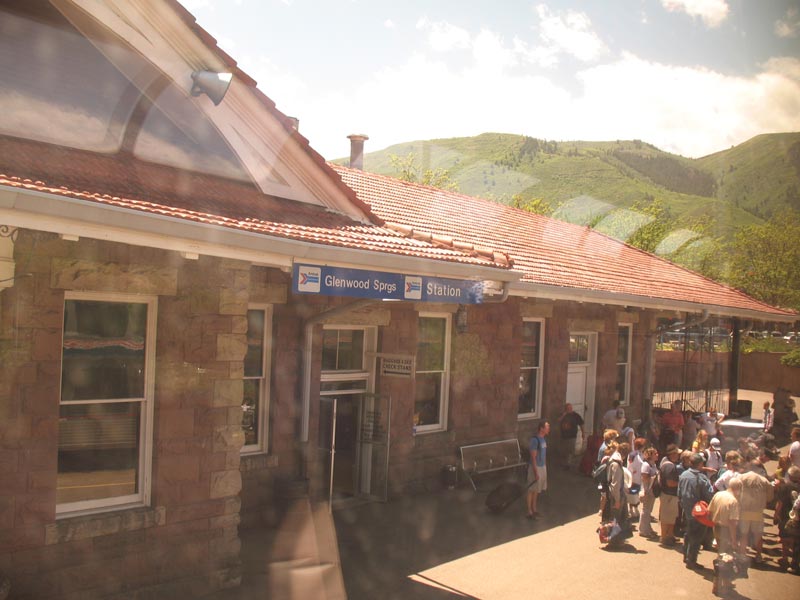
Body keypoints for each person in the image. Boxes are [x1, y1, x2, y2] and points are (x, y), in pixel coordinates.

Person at [678, 453, 715, 568]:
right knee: (697, 536)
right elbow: (709, 494)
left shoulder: (683, 475)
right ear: (700, 464)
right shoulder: (702, 478)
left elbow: (679, 492)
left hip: (686, 509)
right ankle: (691, 560)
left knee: (689, 533)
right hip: (699, 511)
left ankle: (686, 555)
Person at [708, 478, 742, 596]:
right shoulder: (733, 501)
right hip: (726, 531)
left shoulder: (718, 494)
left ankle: (717, 583)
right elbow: (732, 523)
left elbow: (710, 511)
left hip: (716, 527)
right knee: (727, 560)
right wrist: (733, 540)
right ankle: (724, 585)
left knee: (720, 556)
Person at [737, 462, 774, 563]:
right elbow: (770, 497)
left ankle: (742, 554)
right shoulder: (764, 480)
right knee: (758, 535)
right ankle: (758, 555)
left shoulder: (741, 477)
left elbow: (735, 491)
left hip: (744, 511)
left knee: (744, 534)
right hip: (758, 512)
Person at [774, 466, 800, 571]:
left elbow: (779, 503)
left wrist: (776, 514)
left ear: (789, 476)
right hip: (797, 517)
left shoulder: (784, 487)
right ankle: (794, 561)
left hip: (785, 515)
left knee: (784, 538)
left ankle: (784, 559)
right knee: (797, 539)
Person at [658, 444, 681, 546]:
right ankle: (664, 537)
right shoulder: (669, 466)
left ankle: (670, 535)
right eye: (676, 453)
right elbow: (670, 482)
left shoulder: (667, 463)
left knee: (671, 517)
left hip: (671, 495)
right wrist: (681, 482)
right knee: (666, 517)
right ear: (673, 454)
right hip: (668, 495)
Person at [526, 420, 549, 519]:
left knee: (537, 490)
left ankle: (534, 509)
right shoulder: (535, 440)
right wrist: (536, 472)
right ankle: (529, 511)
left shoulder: (543, 439)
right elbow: (533, 457)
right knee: (531, 489)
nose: (549, 429)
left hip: (542, 466)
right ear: (541, 428)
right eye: (547, 427)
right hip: (536, 467)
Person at [639, 446, 660, 538]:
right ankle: (643, 530)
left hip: (652, 490)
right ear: (650, 455)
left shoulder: (653, 465)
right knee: (645, 510)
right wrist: (653, 477)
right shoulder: (646, 465)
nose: (657, 455)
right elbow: (644, 477)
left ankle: (648, 528)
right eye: (655, 454)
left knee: (649, 510)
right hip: (647, 490)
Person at [556, 402, 585, 469]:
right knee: (563, 450)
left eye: (570, 408)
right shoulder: (563, 415)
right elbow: (558, 420)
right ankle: (564, 463)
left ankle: (568, 464)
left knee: (570, 450)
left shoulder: (575, 415)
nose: (569, 410)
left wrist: (583, 433)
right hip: (564, 436)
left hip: (572, 436)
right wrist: (564, 415)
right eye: (567, 408)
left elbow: (581, 424)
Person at [627, 438, 646, 519]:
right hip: (633, 477)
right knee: (632, 494)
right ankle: (631, 509)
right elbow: (630, 466)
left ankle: (636, 508)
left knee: (637, 493)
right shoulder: (633, 455)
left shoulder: (640, 454)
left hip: (638, 477)